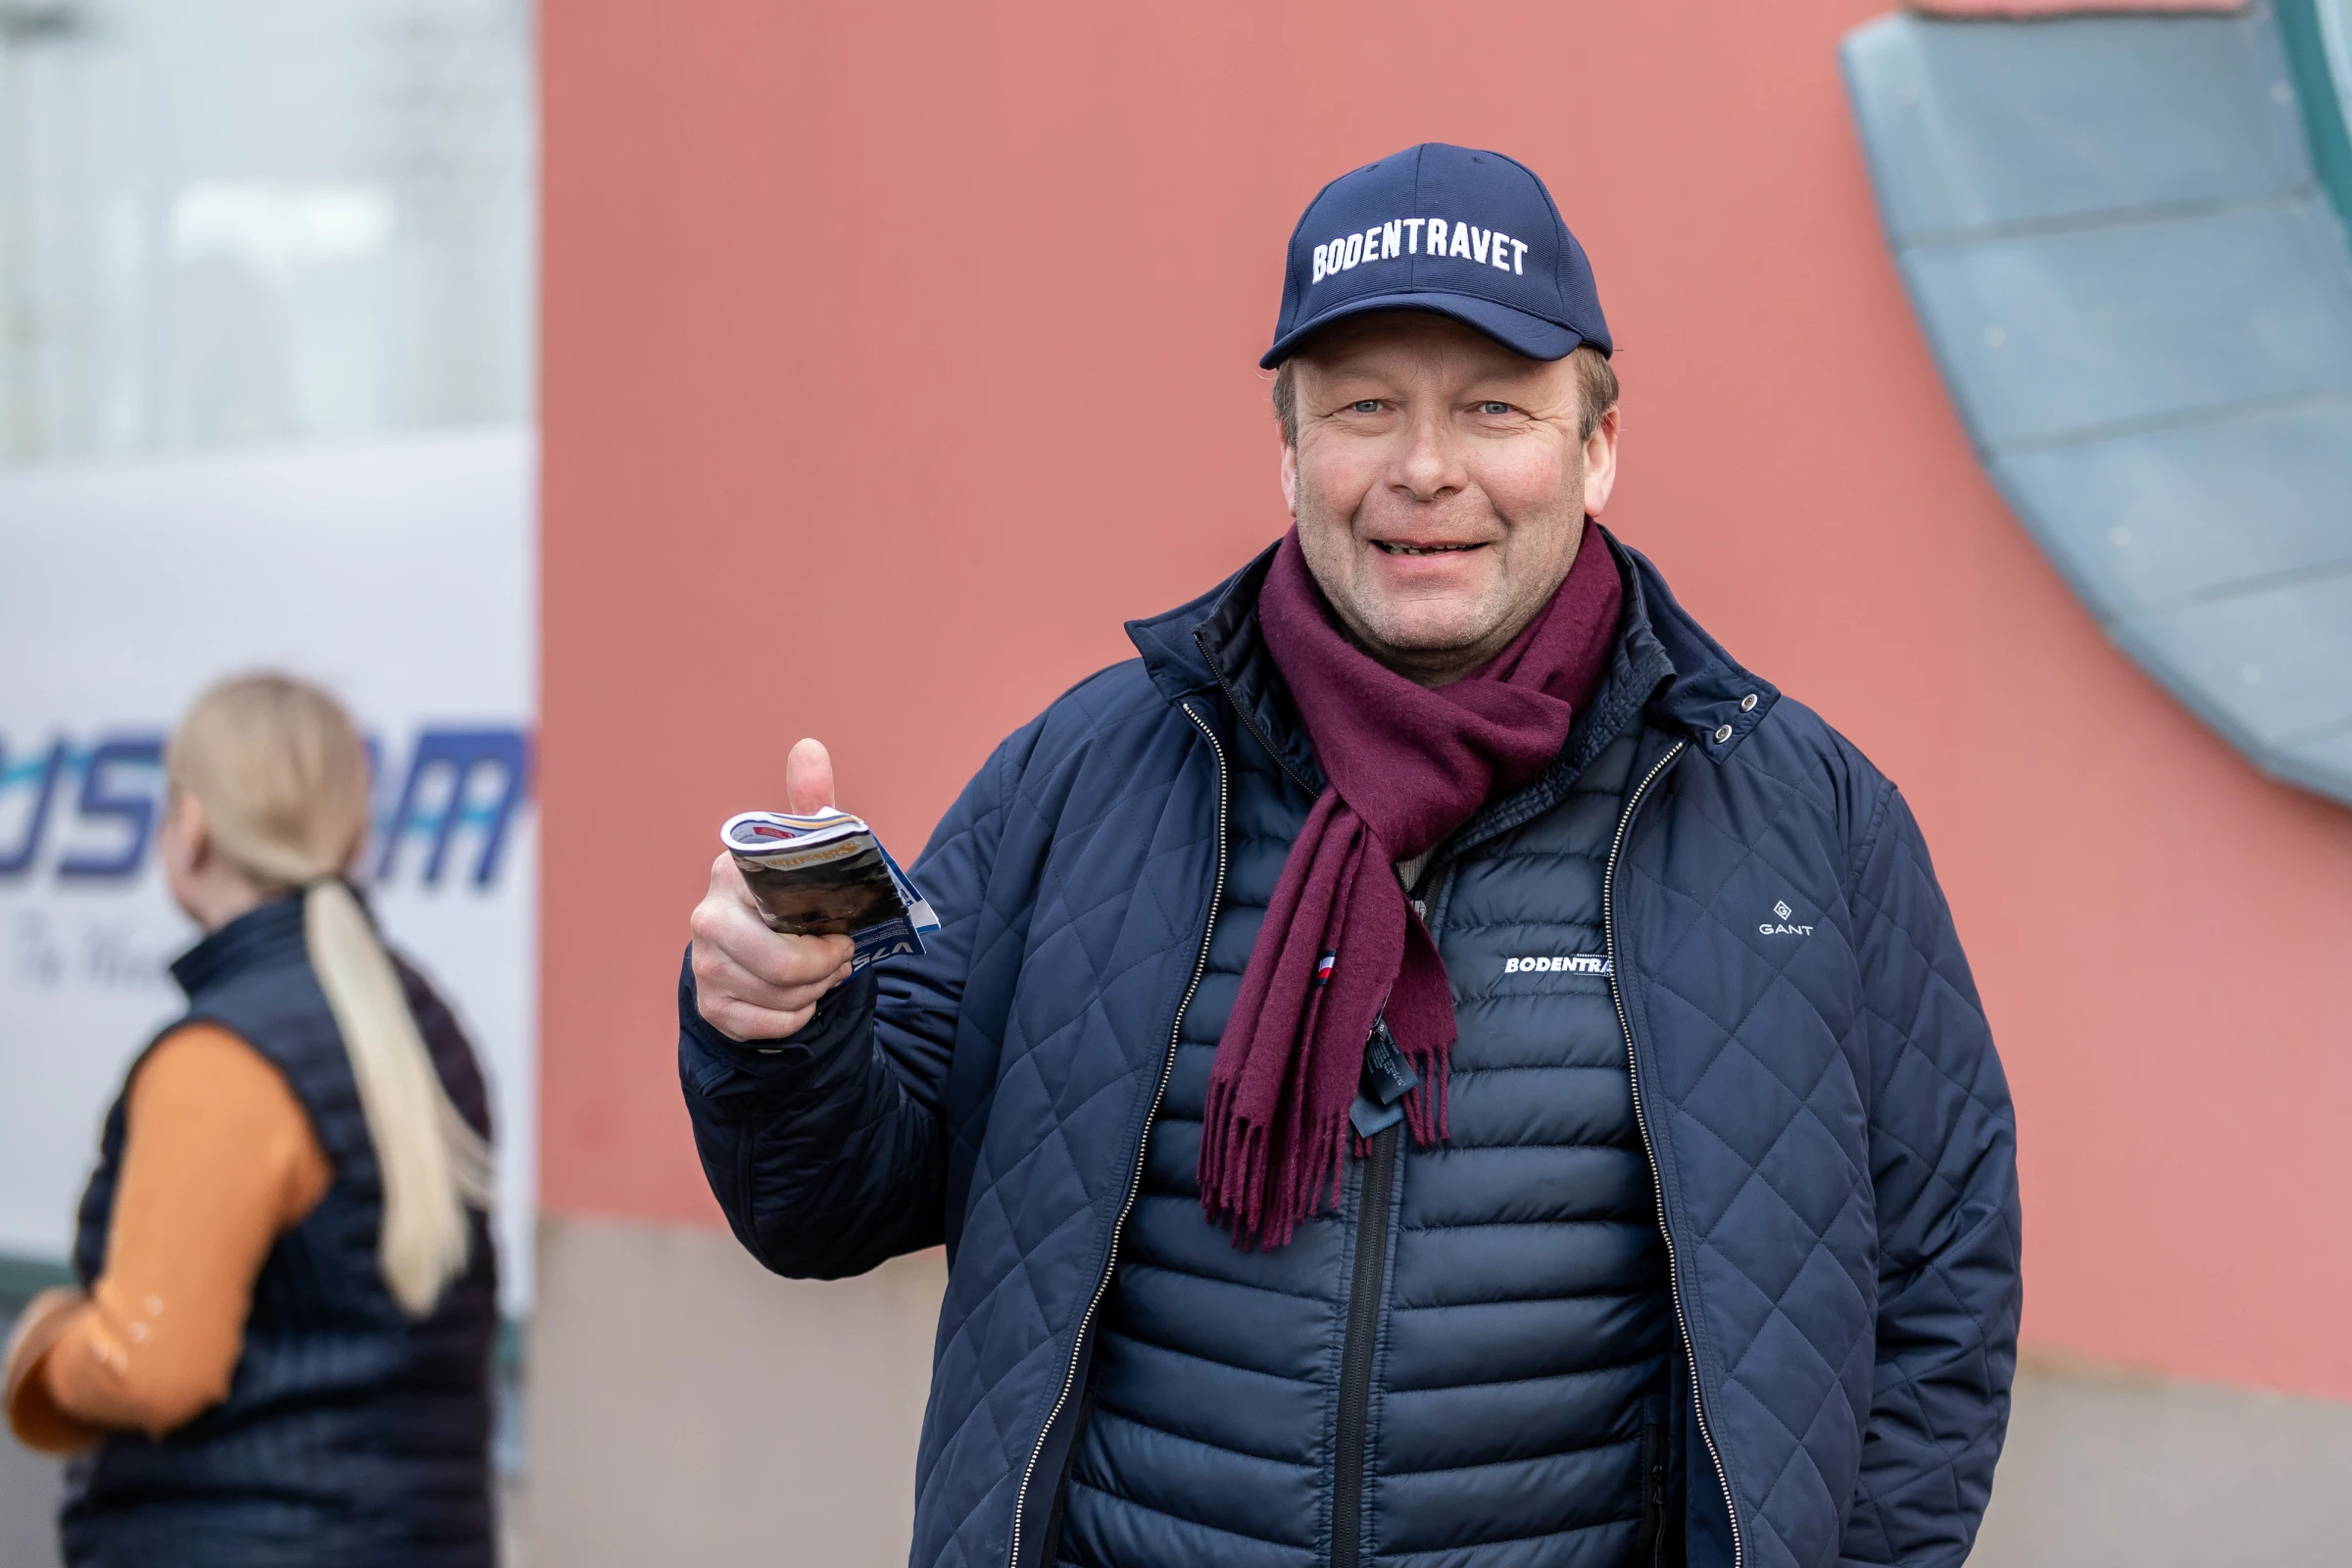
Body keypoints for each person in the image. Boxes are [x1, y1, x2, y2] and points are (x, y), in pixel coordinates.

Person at [681, 143, 2021, 1568]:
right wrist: (780, 1030)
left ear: (1598, 447)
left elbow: (1944, 1286)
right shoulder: (1088, 776)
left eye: (1495, 409)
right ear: (1291, 450)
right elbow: (825, 1206)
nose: (1425, 469)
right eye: (1366, 408)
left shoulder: (1792, 819)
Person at [2, 674, 501, 1567]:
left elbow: (151, 1364)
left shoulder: (223, 1058)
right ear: (351, 832)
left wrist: (44, 1350)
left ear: (187, 827)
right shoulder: (422, 1019)